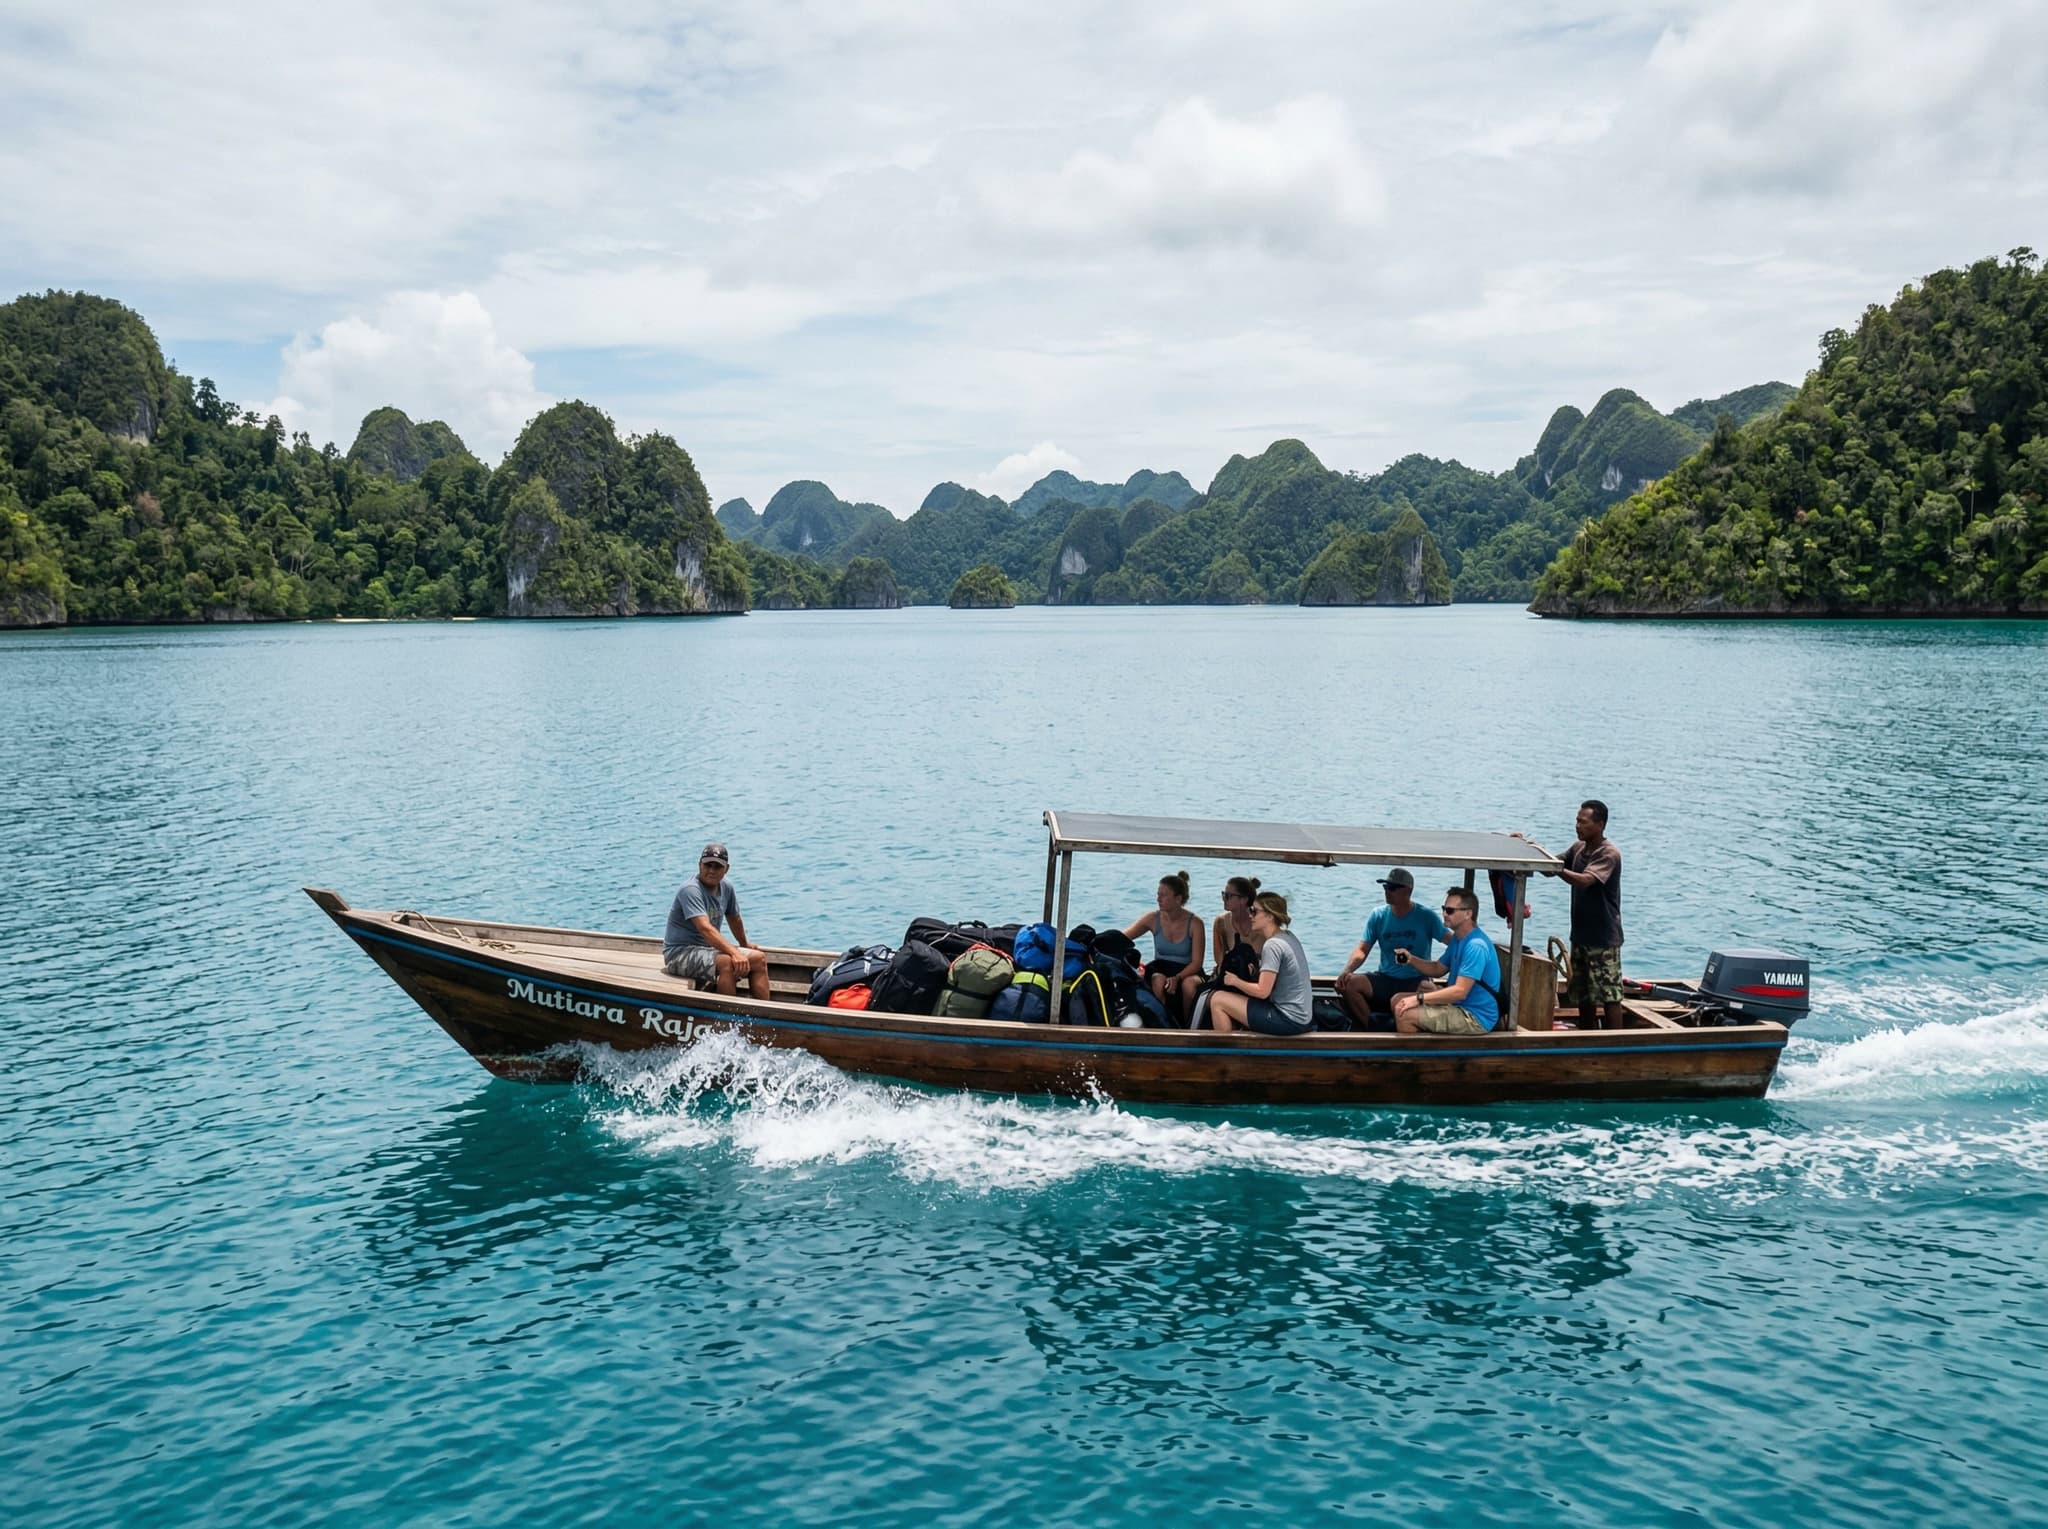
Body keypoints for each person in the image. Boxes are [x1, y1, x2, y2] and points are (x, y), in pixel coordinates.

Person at [1537, 800, 1624, 1030]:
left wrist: (1557, 871)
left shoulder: (1608, 854)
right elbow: (1552, 865)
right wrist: (1532, 851)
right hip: (1581, 936)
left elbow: (1586, 881)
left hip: (1603, 938)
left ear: (1600, 825)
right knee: (1583, 993)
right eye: (1577, 821)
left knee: (1609, 995)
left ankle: (1616, 1043)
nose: (1577, 826)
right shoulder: (1578, 848)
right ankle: (1587, 1035)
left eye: (1583, 822)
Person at [1335, 868, 1450, 1029]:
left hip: (1415, 980)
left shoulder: (1426, 917)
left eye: (1393, 888)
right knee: (1349, 984)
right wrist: (1347, 971)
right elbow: (1362, 950)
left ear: (1408, 891)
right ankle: (1373, 1027)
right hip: (1385, 978)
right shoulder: (1378, 915)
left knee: (1426, 989)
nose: (1387, 892)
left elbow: (1452, 942)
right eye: (1385, 887)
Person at [661, 842, 770, 999]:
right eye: (707, 865)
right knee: (727, 962)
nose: (711, 871)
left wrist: (744, 944)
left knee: (759, 959)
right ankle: (728, 1020)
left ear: (726, 869)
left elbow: (734, 918)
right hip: (679, 954)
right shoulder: (690, 890)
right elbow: (705, 929)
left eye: (717, 867)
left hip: (707, 950)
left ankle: (764, 1016)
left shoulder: (726, 887)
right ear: (700, 865)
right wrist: (734, 952)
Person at [1390, 886, 1503, 1034]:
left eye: (1450, 910)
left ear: (1468, 914)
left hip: (1475, 1016)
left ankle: (1415, 1056)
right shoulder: (1458, 938)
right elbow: (1438, 968)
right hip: (1457, 1004)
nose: (1444, 914)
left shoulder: (1476, 946)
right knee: (1397, 1000)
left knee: (1404, 1014)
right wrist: (1411, 959)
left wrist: (1419, 998)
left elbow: (1460, 992)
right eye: (1444, 908)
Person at [1209, 892, 1314, 1036]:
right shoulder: (1288, 936)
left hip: (1288, 1020)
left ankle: (1227, 1055)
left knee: (1217, 999)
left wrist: (1235, 981)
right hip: (1301, 1017)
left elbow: (1262, 992)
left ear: (1270, 916)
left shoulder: (1272, 945)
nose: (1249, 915)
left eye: (1254, 911)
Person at [1125, 869, 1205, 1023]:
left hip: (1187, 970)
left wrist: (1178, 978)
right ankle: (1163, 1023)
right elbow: (1124, 936)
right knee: (1158, 980)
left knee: (1188, 985)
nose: (1158, 899)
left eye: (1163, 895)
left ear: (1178, 899)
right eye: (1158, 894)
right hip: (1160, 967)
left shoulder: (1195, 923)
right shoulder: (1152, 918)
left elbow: (1197, 962)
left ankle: (1189, 1026)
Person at [1210, 876, 1263, 975]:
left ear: (1244, 900)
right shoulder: (1221, 922)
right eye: (1223, 895)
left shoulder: (1262, 923)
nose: (1224, 899)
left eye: (1228, 896)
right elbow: (1220, 960)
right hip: (1231, 973)